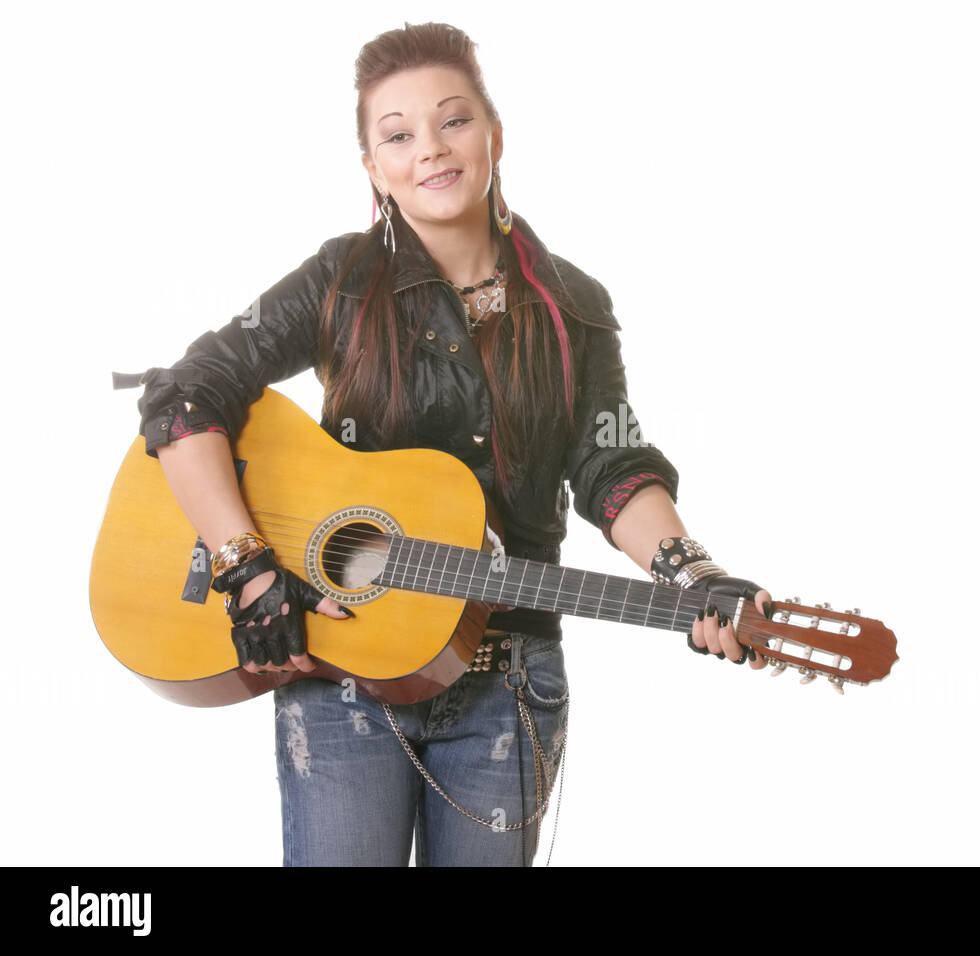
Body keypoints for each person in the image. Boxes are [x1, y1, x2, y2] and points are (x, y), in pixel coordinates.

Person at [136, 21, 772, 866]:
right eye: (396, 135)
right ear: (372, 167)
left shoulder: (573, 305)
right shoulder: (337, 281)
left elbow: (611, 466)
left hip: (508, 682)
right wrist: (244, 559)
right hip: (342, 671)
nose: (429, 149)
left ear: (495, 134)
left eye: (453, 121)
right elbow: (185, 397)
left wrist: (694, 575)